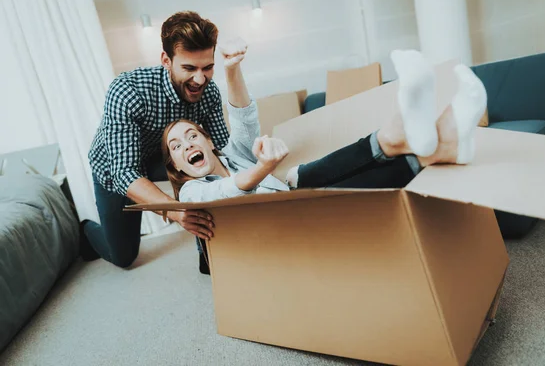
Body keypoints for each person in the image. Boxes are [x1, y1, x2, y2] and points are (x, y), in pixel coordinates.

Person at [161, 49, 488, 274]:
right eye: (176, 147)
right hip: (274, 239)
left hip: (292, 203)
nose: (187, 145)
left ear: (207, 140)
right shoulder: (190, 194)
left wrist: (232, 69)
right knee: (306, 188)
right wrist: (263, 168)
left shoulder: (234, 154)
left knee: (301, 177)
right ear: (176, 166)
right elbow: (225, 193)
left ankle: (430, 144)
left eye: (191, 136)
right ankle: (408, 138)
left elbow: (243, 116)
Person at [83, 11, 248, 270]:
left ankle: (207, 251)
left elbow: (223, 152)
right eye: (189, 68)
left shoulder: (209, 92)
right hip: (116, 167)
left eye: (207, 67)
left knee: (201, 159)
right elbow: (124, 172)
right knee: (123, 257)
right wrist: (175, 210)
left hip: (165, 156)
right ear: (166, 60)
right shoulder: (127, 90)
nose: (200, 79)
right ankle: (86, 231)